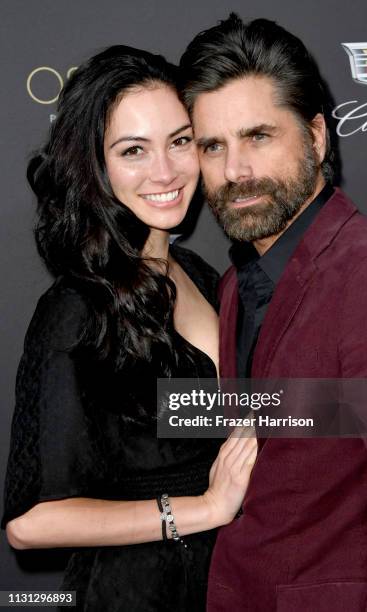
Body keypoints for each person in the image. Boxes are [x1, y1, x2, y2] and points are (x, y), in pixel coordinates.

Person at [2, 45, 257, 612]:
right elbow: (32, 522)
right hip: (137, 591)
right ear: (96, 164)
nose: (164, 172)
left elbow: (228, 414)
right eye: (133, 150)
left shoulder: (196, 273)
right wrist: (205, 510)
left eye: (180, 140)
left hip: (223, 580)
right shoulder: (77, 306)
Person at [179, 14, 367, 611]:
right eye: (213, 146)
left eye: (259, 136)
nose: (236, 171)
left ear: (316, 137)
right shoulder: (233, 285)